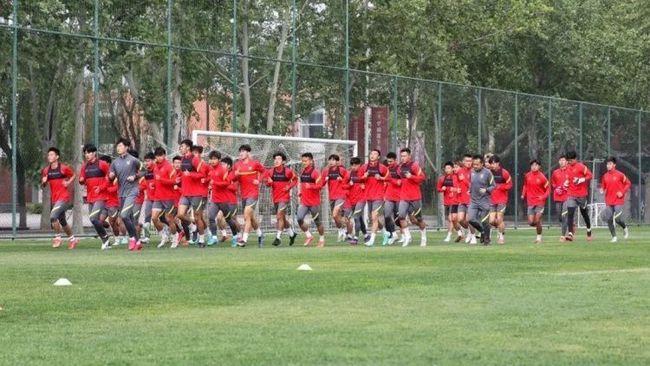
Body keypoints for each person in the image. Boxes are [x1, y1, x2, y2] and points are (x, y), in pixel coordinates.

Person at [41, 147, 78, 249]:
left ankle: (57, 238)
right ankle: (73, 239)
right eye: (49, 155)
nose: (50, 157)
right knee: (62, 221)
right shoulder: (46, 170)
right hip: (55, 199)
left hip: (64, 198)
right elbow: (43, 185)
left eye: (52, 155)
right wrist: (43, 182)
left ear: (57, 157)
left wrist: (68, 182)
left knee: (53, 216)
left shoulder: (63, 168)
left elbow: (74, 175)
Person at [78, 144, 111, 249]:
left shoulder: (103, 164)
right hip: (90, 197)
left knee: (92, 218)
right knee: (94, 220)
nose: (87, 155)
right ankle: (106, 241)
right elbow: (81, 180)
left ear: (94, 153)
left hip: (101, 196)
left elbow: (109, 178)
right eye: (85, 153)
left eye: (89, 152)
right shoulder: (84, 166)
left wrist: (101, 188)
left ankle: (105, 238)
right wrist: (81, 180)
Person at [233, 144, 266, 247]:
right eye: (240, 152)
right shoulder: (237, 165)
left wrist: (259, 180)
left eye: (243, 151)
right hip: (243, 194)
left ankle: (244, 239)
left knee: (247, 215)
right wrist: (235, 175)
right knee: (250, 218)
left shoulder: (255, 163)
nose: (241, 153)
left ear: (248, 153)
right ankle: (260, 234)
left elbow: (265, 172)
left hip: (253, 194)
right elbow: (232, 179)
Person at [264, 152, 298, 246]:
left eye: (279, 159)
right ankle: (292, 234)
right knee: (282, 218)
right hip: (275, 198)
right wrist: (269, 182)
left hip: (284, 198)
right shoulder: (270, 172)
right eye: (275, 159)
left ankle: (278, 237)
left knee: (279, 216)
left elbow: (295, 180)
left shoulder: (288, 171)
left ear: (283, 161)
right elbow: (267, 184)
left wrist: (289, 187)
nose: (276, 160)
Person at [207, 155, 241, 247]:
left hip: (224, 200)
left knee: (229, 219)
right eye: (211, 159)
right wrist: (209, 185)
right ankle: (214, 237)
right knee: (211, 217)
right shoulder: (211, 170)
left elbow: (226, 183)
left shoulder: (224, 171)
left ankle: (235, 236)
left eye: (214, 159)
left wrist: (215, 183)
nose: (212, 161)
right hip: (214, 200)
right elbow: (210, 180)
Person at [397, 148, 427, 247]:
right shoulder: (400, 167)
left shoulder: (414, 166)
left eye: (404, 156)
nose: (402, 158)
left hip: (415, 197)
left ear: (409, 156)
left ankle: (423, 237)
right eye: (401, 156)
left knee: (418, 220)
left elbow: (422, 178)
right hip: (403, 197)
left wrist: (411, 177)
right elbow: (398, 179)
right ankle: (407, 237)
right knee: (401, 216)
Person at [359, 149, 389, 247]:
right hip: (369, 196)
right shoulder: (364, 167)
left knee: (374, 217)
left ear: (379, 157)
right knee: (374, 219)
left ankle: (372, 240)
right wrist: (364, 176)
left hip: (379, 196)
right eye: (371, 153)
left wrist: (381, 178)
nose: (372, 155)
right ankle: (385, 232)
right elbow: (358, 179)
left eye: (375, 154)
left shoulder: (383, 168)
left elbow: (389, 179)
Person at [297, 153, 325, 247]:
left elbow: (320, 186)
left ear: (311, 161)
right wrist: (301, 192)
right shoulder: (302, 171)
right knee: (299, 218)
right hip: (304, 201)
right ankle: (309, 235)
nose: (304, 163)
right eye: (303, 161)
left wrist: (311, 186)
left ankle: (321, 239)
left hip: (314, 202)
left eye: (305, 161)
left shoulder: (316, 172)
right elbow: (303, 185)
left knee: (317, 222)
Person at [564, 150, 593, 242]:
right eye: (568, 160)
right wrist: (566, 182)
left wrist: (581, 180)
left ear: (575, 159)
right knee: (570, 213)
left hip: (581, 195)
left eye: (571, 160)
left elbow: (590, 175)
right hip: (571, 194)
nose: (569, 162)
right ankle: (570, 234)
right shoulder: (567, 167)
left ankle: (589, 230)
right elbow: (568, 178)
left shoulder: (581, 167)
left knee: (584, 214)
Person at [151, 147, 178, 248]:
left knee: (169, 218)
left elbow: (174, 181)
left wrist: (161, 179)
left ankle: (175, 238)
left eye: (161, 155)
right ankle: (164, 236)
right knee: (154, 218)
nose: (159, 158)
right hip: (158, 197)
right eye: (157, 156)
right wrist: (154, 184)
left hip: (168, 197)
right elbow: (156, 180)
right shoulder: (155, 167)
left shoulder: (169, 167)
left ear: (164, 156)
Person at [600, 157, 631, 242]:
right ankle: (614, 237)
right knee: (609, 218)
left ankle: (625, 228)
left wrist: (622, 192)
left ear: (614, 165)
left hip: (618, 200)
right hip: (609, 201)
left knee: (617, 219)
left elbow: (628, 183)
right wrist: (602, 189)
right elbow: (603, 186)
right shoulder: (605, 176)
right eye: (607, 164)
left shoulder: (620, 175)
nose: (608, 165)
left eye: (610, 164)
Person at [467, 155, 495, 245]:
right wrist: (470, 190)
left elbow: (493, 186)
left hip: (484, 201)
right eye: (473, 164)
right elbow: (472, 183)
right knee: (471, 219)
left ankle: (487, 239)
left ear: (482, 164)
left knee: (484, 221)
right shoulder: (471, 172)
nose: (475, 166)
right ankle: (483, 232)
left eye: (477, 164)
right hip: (473, 201)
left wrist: (486, 190)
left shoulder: (488, 173)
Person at [521, 159, 550, 244]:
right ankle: (539, 225)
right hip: (530, 201)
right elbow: (525, 186)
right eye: (532, 165)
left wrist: (543, 197)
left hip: (540, 202)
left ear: (539, 167)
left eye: (536, 165)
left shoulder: (542, 177)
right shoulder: (527, 176)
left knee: (537, 220)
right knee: (531, 222)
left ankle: (539, 238)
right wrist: (523, 194)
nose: (534, 167)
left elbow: (548, 189)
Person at [323, 154, 350, 242]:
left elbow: (349, 182)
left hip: (341, 196)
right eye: (330, 160)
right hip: (332, 197)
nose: (331, 162)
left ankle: (345, 229)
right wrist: (325, 180)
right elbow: (321, 183)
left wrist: (341, 180)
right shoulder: (326, 171)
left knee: (335, 213)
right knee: (335, 217)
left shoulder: (342, 170)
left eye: (333, 160)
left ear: (337, 162)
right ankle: (341, 230)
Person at [488, 155, 512, 244]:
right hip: (491, 200)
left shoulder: (504, 173)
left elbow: (510, 185)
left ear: (498, 163)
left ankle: (501, 237)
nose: (492, 165)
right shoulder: (488, 173)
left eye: (494, 163)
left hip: (502, 200)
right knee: (491, 221)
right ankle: (499, 228)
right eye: (491, 163)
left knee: (499, 219)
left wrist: (499, 187)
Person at [436, 161, 460, 242]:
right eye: (446, 168)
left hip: (455, 201)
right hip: (447, 202)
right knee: (452, 220)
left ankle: (449, 236)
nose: (447, 170)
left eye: (449, 168)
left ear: (453, 168)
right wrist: (441, 189)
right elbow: (438, 189)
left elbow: (459, 189)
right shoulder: (442, 178)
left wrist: (451, 190)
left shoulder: (456, 177)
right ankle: (460, 233)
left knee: (451, 218)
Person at [346, 157, 367, 245]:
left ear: (359, 165)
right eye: (352, 165)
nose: (354, 167)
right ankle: (366, 235)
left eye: (356, 165)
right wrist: (349, 185)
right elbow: (344, 186)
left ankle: (356, 237)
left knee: (356, 218)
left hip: (362, 199)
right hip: (352, 200)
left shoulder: (363, 173)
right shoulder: (349, 174)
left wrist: (364, 185)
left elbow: (369, 183)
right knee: (359, 218)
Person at [383, 152, 402, 245]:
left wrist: (390, 180)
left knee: (399, 218)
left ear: (395, 160)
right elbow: (385, 182)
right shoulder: (386, 169)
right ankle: (393, 234)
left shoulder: (399, 169)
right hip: (389, 196)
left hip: (399, 197)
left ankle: (405, 234)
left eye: (391, 161)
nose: (389, 163)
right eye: (388, 161)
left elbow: (400, 182)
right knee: (386, 216)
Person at [551, 155, 570, 241]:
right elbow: (553, 183)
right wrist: (556, 188)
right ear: (559, 162)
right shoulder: (555, 172)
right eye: (560, 160)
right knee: (559, 215)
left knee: (564, 215)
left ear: (567, 162)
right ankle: (569, 225)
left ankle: (563, 236)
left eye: (563, 160)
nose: (562, 162)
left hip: (567, 197)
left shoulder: (570, 171)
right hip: (558, 197)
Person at [454, 156, 473, 242]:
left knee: (469, 219)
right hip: (462, 199)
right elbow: (457, 182)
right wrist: (457, 189)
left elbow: (473, 185)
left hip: (471, 199)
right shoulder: (459, 171)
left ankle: (472, 235)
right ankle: (469, 230)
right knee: (460, 219)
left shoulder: (474, 172)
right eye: (467, 161)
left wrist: (464, 180)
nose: (469, 162)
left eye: (470, 161)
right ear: (463, 162)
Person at [139, 152, 156, 244]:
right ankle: (146, 237)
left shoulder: (156, 170)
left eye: (148, 161)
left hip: (160, 198)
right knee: (147, 216)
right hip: (150, 198)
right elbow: (144, 185)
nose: (146, 163)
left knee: (162, 218)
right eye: (145, 161)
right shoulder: (146, 172)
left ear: (153, 161)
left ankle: (172, 233)